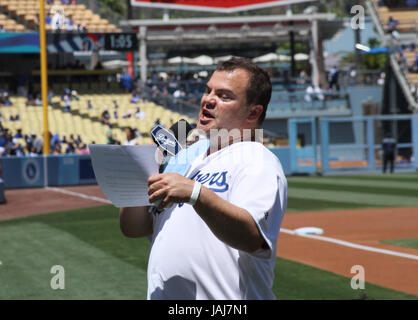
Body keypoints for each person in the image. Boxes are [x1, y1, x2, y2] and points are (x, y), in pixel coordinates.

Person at [119, 57, 288, 300]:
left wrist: (195, 193)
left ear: (253, 112)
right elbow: (134, 228)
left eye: (224, 95)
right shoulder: (185, 161)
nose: (208, 99)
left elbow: (250, 237)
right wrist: (142, 171)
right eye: (208, 90)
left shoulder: (257, 159)